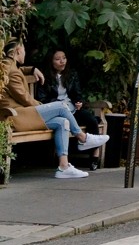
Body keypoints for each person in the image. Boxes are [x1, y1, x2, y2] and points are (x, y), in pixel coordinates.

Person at [1, 39, 109, 178]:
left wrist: (32, 69)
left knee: (63, 122)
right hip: (15, 116)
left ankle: (63, 167)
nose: (24, 53)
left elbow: (19, 70)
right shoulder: (12, 72)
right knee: (61, 107)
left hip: (21, 115)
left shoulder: (8, 65)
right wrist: (43, 106)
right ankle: (83, 138)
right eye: (24, 50)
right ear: (17, 51)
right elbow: (25, 99)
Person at [35, 49, 103, 170]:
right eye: (57, 59)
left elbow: (77, 93)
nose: (62, 61)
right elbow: (42, 99)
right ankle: (82, 139)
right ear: (51, 62)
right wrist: (58, 104)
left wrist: (79, 102)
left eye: (64, 58)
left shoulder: (72, 74)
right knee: (64, 121)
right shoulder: (44, 76)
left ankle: (94, 156)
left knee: (91, 119)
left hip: (71, 108)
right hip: (57, 111)